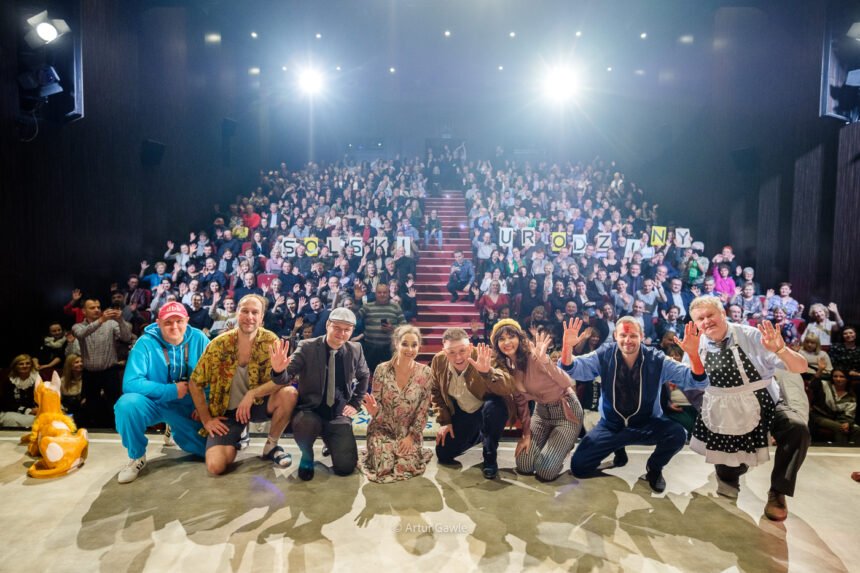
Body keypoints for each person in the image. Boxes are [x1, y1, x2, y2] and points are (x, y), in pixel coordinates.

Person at [687, 296, 810, 521]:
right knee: (729, 473)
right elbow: (693, 384)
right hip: (725, 415)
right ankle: (731, 472)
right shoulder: (696, 344)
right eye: (700, 319)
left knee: (797, 428)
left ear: (722, 313)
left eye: (710, 315)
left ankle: (778, 491)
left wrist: (781, 350)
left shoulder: (751, 336)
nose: (706, 321)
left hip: (765, 405)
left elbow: (800, 367)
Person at [560, 317, 708, 493]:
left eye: (633, 336)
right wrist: (567, 347)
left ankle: (654, 468)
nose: (628, 340)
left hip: (646, 424)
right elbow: (573, 368)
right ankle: (618, 447)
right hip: (611, 426)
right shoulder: (604, 355)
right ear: (615, 336)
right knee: (579, 467)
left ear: (642, 336)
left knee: (677, 434)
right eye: (623, 335)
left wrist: (693, 355)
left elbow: (697, 381)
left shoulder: (657, 359)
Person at [189, 295, 298, 475]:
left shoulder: (271, 341)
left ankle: (271, 446)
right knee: (216, 466)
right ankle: (238, 435)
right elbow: (195, 383)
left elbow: (282, 381)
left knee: (289, 394)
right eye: (245, 311)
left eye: (255, 312)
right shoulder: (219, 344)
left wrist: (253, 393)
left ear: (261, 318)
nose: (250, 317)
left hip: (258, 405)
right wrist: (206, 419)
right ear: (237, 314)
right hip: (228, 412)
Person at [268, 307, 370, 481]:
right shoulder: (307, 346)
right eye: (337, 328)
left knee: (345, 467)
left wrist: (354, 403)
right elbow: (287, 375)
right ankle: (307, 454)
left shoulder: (355, 349)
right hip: (310, 410)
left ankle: (330, 441)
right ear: (328, 325)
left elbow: (364, 376)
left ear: (352, 330)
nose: (341, 333)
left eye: (347, 329)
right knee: (306, 424)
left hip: (337, 413)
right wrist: (278, 370)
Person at [114, 302, 211, 483]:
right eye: (168, 322)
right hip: (155, 403)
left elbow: (213, 377)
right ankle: (137, 456)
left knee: (210, 453)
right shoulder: (145, 343)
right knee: (126, 405)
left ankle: (173, 427)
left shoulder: (200, 339)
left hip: (187, 405)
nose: (174, 326)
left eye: (179, 321)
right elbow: (130, 383)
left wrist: (204, 406)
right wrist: (171, 390)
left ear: (187, 321)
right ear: (158, 323)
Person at [491, 320, 583, 481]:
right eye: (501, 339)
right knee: (524, 464)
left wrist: (546, 361)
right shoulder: (507, 368)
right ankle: (551, 446)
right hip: (541, 414)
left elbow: (566, 382)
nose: (507, 342)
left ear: (519, 338)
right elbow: (522, 405)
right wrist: (526, 434)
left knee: (545, 471)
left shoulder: (534, 356)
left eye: (511, 337)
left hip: (566, 412)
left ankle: (562, 447)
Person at [430, 327, 514, 479]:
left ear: (470, 347)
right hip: (464, 411)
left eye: (462, 350)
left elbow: (508, 387)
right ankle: (479, 434)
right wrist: (445, 421)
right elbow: (435, 392)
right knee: (444, 453)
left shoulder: (486, 355)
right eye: (451, 352)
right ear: (444, 351)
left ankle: (490, 455)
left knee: (494, 407)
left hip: (487, 408)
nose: (458, 357)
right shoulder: (438, 360)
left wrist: (487, 372)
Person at [359, 324, 433, 483]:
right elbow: (376, 404)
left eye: (414, 345)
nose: (410, 349)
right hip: (382, 428)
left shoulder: (425, 372)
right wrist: (374, 412)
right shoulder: (381, 369)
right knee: (383, 466)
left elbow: (423, 409)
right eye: (405, 344)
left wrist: (411, 437)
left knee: (404, 466)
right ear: (396, 343)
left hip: (409, 432)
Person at [72, 298, 133, 428]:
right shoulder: (77, 326)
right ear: (83, 311)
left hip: (109, 371)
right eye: (92, 308)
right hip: (89, 373)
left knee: (115, 403)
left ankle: (117, 430)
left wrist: (121, 320)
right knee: (90, 405)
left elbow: (127, 337)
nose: (97, 310)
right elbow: (82, 334)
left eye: (98, 307)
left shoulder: (110, 324)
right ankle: (93, 431)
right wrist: (101, 320)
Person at [359, 283, 406, 374]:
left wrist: (393, 329)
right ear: (375, 293)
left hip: (389, 348)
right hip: (370, 348)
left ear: (388, 293)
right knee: (370, 375)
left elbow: (404, 326)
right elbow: (353, 317)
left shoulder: (395, 307)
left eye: (385, 292)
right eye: (379, 292)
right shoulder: (367, 307)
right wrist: (357, 300)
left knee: (390, 374)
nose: (382, 295)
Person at [809, 367, 860, 444]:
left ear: (847, 379)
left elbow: (849, 414)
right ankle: (842, 450)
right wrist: (820, 370)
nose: (838, 379)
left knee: (857, 429)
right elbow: (812, 385)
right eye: (835, 376)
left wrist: (847, 423)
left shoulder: (851, 396)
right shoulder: (825, 385)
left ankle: (853, 450)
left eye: (842, 377)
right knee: (840, 428)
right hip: (818, 416)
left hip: (835, 419)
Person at [1, 354, 39, 428]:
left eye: (28, 363)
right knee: (10, 419)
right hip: (14, 412)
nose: (25, 366)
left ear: (31, 365)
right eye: (21, 364)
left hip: (35, 412)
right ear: (15, 366)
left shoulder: (38, 379)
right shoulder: (9, 381)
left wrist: (39, 409)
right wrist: (28, 410)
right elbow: (6, 403)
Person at [60, 354, 84, 419]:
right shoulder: (63, 381)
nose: (80, 364)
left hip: (83, 414)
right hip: (67, 413)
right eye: (77, 362)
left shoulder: (88, 379)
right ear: (70, 366)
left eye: (81, 361)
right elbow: (58, 401)